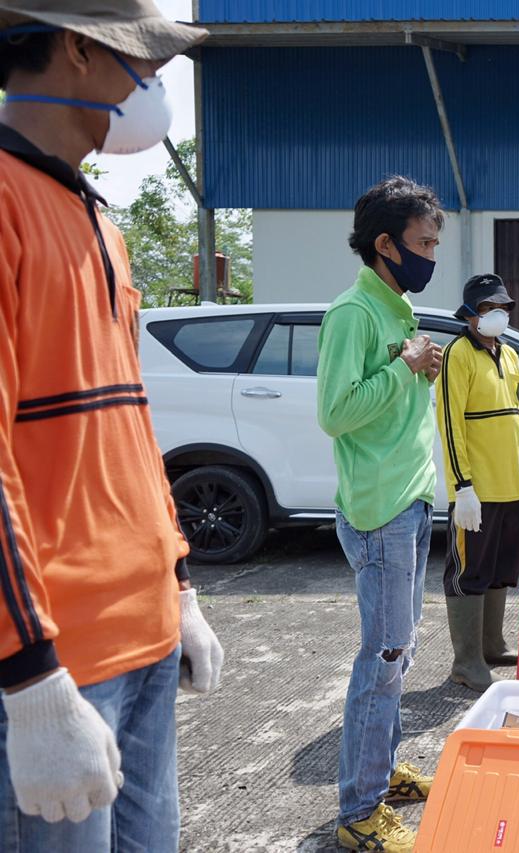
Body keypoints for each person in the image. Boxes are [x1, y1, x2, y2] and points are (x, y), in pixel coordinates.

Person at [0, 3, 223, 849]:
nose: (153, 88)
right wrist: (28, 676)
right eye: (145, 64)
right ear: (78, 49)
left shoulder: (102, 225)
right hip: (56, 664)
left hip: (143, 637)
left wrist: (179, 582)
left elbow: (125, 432)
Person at [316, 175, 444, 852]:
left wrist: (416, 366)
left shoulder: (396, 309)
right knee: (384, 655)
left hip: (410, 503)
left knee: (400, 651)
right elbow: (335, 412)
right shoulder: (354, 313)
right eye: (424, 242)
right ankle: (359, 812)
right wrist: (405, 366)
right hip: (380, 511)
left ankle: (381, 769)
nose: (432, 255)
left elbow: (389, 393)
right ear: (385, 243)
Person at [436, 274, 519, 692]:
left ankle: (492, 645)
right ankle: (466, 662)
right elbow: (449, 422)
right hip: (476, 489)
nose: (498, 315)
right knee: (469, 572)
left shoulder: (509, 355)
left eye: (502, 308)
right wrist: (462, 487)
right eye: (488, 309)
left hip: (511, 484)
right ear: (470, 314)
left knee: (501, 568)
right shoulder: (457, 355)